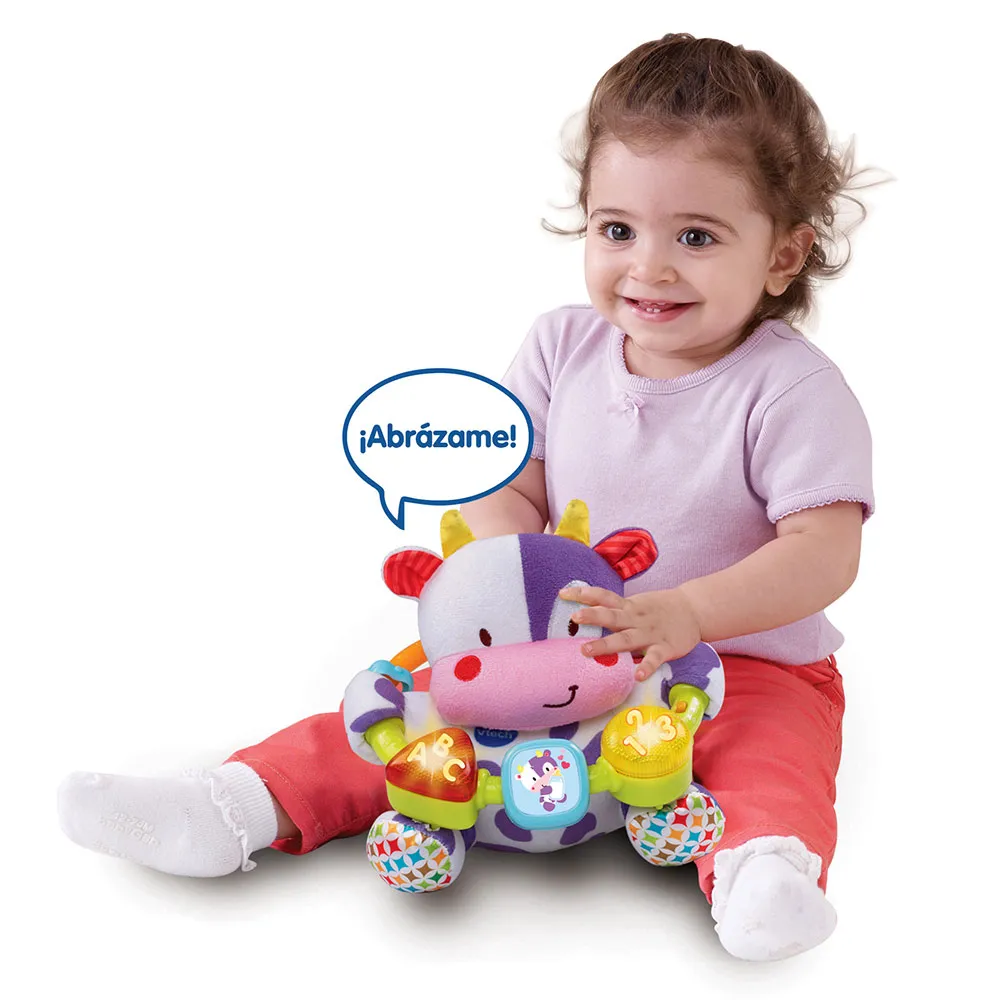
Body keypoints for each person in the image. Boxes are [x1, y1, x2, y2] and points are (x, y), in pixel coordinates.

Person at [57, 33, 879, 962]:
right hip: (563, 646)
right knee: (405, 721)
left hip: (743, 659)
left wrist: (686, 613)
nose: (648, 266)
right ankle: (235, 806)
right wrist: (501, 582)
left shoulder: (792, 390)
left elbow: (822, 550)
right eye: (617, 229)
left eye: (696, 237)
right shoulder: (561, 346)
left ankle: (764, 876)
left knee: (768, 756)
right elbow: (510, 487)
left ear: (783, 255)